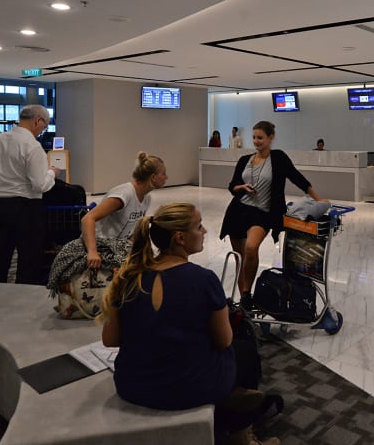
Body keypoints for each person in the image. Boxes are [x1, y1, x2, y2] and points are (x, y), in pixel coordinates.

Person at [99, 203, 279, 445]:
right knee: (242, 349)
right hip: (188, 388)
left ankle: (233, 405)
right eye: (199, 226)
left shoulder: (128, 277)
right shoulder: (204, 280)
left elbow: (109, 340)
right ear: (180, 238)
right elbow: (223, 340)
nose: (204, 231)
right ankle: (241, 435)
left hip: (132, 385)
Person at [219, 121, 326, 310]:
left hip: (263, 213)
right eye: (254, 138)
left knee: (251, 248)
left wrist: (319, 200)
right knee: (239, 257)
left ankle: (245, 295)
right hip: (238, 211)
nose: (256, 141)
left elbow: (297, 177)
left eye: (260, 138)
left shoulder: (278, 158)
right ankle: (245, 297)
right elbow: (232, 186)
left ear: (270, 138)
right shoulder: (245, 160)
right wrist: (241, 187)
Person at [0, 104, 59, 283]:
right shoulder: (32, 146)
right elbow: (39, 184)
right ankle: (24, 301)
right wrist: (52, 173)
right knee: (29, 259)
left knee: (0, 257)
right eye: (45, 124)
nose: (43, 129)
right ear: (37, 121)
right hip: (26, 209)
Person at [81, 152, 168, 270]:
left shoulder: (146, 198)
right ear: (153, 177)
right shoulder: (124, 194)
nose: (166, 177)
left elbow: (132, 231)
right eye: (163, 174)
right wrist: (92, 252)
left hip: (116, 247)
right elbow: (88, 218)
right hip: (100, 245)